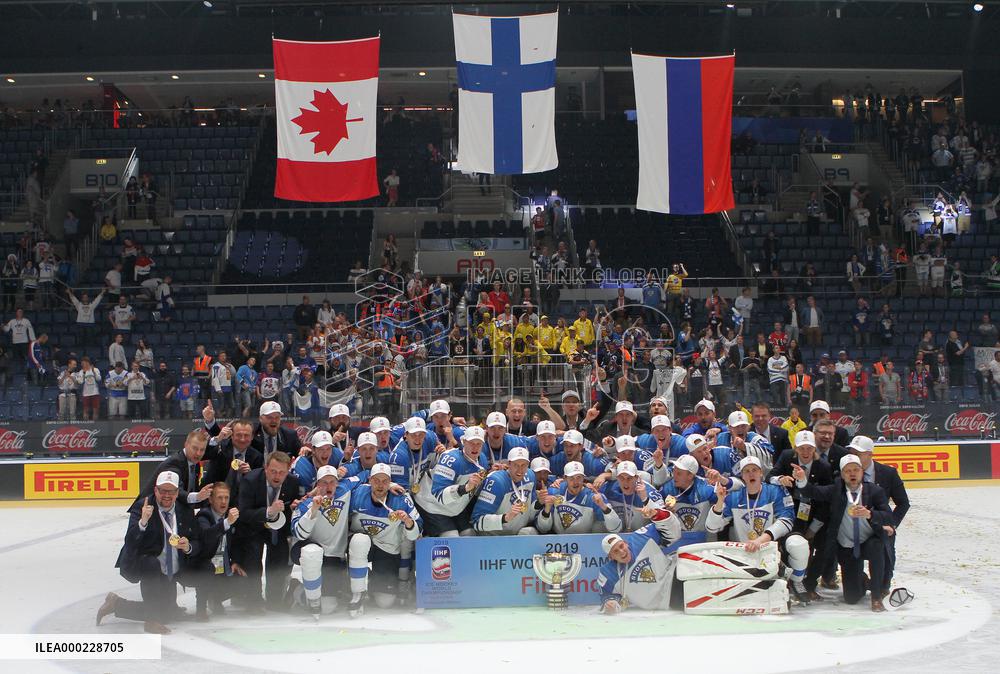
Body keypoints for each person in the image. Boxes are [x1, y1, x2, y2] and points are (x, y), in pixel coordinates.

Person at [100, 471, 201, 634]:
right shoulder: (142, 507)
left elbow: (197, 541)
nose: (166, 495)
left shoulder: (184, 510)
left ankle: (116, 604)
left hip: (172, 569)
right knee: (152, 565)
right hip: (147, 566)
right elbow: (131, 542)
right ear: (155, 490)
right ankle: (151, 619)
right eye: (163, 491)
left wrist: (189, 546)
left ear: (177, 493)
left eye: (171, 491)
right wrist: (143, 522)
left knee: (167, 613)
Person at [791, 455, 894, 612]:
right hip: (847, 546)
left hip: (868, 541)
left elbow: (888, 515)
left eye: (856, 470)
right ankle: (865, 582)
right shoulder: (835, 491)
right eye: (847, 471)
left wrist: (870, 514)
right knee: (851, 598)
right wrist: (802, 479)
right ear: (842, 474)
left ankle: (876, 597)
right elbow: (812, 491)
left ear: (862, 471)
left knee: (876, 546)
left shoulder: (874, 491)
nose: (852, 474)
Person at [706, 456, 812, 603]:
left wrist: (760, 541)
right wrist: (719, 501)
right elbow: (712, 527)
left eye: (755, 470)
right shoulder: (734, 497)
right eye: (747, 471)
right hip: (745, 554)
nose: (751, 474)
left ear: (761, 473)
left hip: (772, 549)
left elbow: (787, 520)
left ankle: (796, 580)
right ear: (742, 476)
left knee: (798, 544)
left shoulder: (775, 491)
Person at [347, 463, 422, 615]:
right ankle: (357, 593)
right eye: (376, 481)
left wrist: (408, 522)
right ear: (369, 481)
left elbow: (417, 532)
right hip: (360, 546)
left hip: (386, 548)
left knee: (385, 602)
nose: (380, 485)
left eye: (385, 481)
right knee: (360, 541)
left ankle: (372, 579)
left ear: (390, 482)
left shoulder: (401, 499)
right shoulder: (357, 494)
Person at [767, 430, 833, 601]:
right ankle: (790, 580)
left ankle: (808, 582)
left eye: (809, 448)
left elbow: (827, 501)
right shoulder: (787, 457)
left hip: (814, 514)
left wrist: (814, 527)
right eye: (802, 448)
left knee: (817, 546)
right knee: (791, 545)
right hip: (789, 512)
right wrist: (780, 478)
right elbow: (769, 477)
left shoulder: (823, 467)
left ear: (814, 449)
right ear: (795, 448)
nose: (805, 452)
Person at [234, 451, 300, 612]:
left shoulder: (292, 482)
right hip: (253, 527)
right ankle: (253, 600)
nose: (277, 476)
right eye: (273, 471)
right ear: (265, 468)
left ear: (288, 470)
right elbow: (243, 513)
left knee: (279, 557)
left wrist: (293, 509)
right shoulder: (250, 480)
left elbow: (292, 508)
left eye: (282, 472)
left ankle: (275, 599)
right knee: (253, 555)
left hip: (278, 529)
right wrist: (268, 511)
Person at [848, 435, 910, 598]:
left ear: (870, 454)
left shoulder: (888, 473)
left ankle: (882, 583)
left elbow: (903, 503)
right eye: (852, 453)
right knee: (853, 591)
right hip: (854, 529)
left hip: (881, 526)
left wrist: (892, 524)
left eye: (858, 453)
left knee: (883, 583)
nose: (854, 457)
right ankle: (859, 580)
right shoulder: (846, 473)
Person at [597, 504, 681, 614]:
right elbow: (608, 597)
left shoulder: (641, 538)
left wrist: (656, 514)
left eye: (621, 546)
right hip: (668, 601)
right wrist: (611, 604)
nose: (622, 552)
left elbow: (674, 533)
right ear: (611, 557)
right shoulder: (608, 573)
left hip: (674, 578)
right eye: (616, 551)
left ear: (626, 543)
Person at [192, 482, 242, 622]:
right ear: (210, 500)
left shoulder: (232, 515)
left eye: (226, 497)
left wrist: (236, 561)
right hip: (205, 565)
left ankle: (216, 598)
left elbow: (238, 541)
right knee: (206, 569)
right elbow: (207, 536)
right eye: (220, 497)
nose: (223, 501)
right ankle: (201, 607)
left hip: (223, 567)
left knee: (245, 575)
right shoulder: (204, 516)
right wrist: (226, 523)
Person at [538, 461, 622, 534]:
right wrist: (547, 510)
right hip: (557, 541)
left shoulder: (593, 496)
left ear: (583, 478)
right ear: (565, 478)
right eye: (571, 478)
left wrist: (603, 506)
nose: (576, 482)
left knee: (598, 526)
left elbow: (616, 528)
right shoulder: (554, 491)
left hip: (585, 542)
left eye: (579, 477)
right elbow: (543, 529)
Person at [471, 447, 539, 535]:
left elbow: (530, 514)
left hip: (517, 534)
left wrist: (539, 503)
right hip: (494, 537)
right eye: (516, 465)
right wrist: (505, 518)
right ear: (509, 464)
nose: (520, 470)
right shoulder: (497, 482)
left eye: (524, 465)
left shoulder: (530, 476)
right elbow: (476, 521)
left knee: (530, 532)